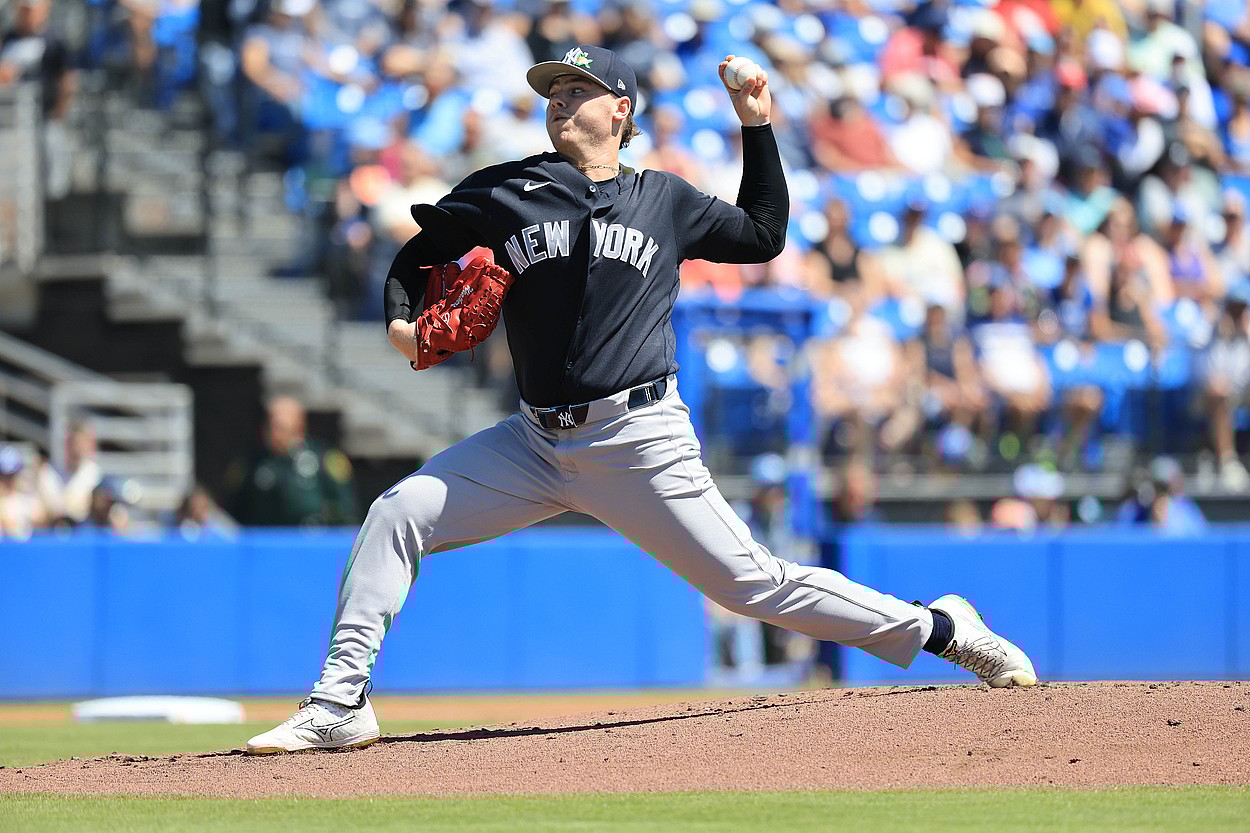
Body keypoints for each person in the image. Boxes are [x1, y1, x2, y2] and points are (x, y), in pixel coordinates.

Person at [245, 46, 1036, 755]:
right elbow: (420, 254)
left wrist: (755, 126)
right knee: (397, 512)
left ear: (620, 109)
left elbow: (764, 234)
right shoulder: (508, 191)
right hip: (531, 443)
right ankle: (339, 701)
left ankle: (942, 628)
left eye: (576, 88)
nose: (558, 99)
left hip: (640, 439)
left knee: (753, 585)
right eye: (551, 89)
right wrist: (398, 321)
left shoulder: (664, 198)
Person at [226, 395, 358, 527]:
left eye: (282, 427)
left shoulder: (326, 459)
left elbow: (347, 511)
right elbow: (231, 513)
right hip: (265, 542)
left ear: (300, 427)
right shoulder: (251, 463)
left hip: (314, 542)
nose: (275, 433)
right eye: (270, 426)